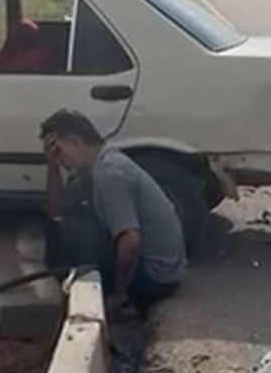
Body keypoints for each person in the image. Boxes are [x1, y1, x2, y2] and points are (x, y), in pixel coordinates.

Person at [40, 108, 186, 312]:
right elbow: (56, 213)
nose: (60, 160)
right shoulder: (93, 168)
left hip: (156, 277)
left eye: (59, 152)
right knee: (68, 223)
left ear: (75, 142)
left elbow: (131, 242)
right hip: (158, 269)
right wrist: (52, 166)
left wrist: (119, 295)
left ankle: (103, 298)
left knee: (79, 230)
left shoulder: (110, 172)